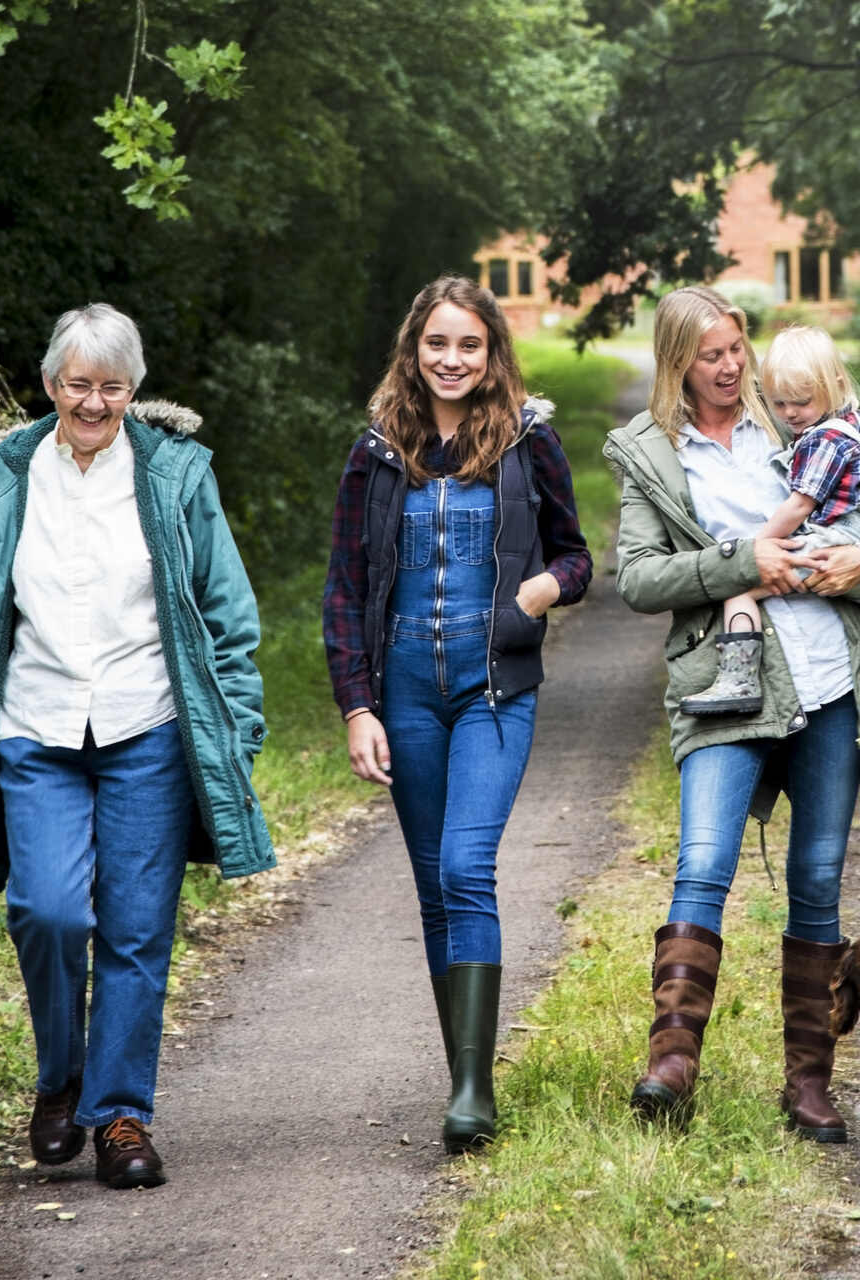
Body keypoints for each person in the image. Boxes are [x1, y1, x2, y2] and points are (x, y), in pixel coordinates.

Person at [0, 303, 274, 1190]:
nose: (94, 403)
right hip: (35, 729)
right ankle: (61, 1080)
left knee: (134, 930)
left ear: (134, 390)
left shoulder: (176, 476)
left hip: (146, 726)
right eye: (78, 384)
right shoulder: (4, 480)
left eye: (112, 387)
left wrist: (235, 725)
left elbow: (228, 614)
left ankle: (121, 1117)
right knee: (48, 911)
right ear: (49, 384)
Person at [602, 286, 860, 1141]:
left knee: (815, 878)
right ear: (676, 362)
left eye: (736, 347)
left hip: (826, 677)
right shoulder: (650, 452)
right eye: (710, 355)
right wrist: (745, 561)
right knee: (703, 859)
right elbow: (635, 577)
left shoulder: (791, 409)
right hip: (723, 681)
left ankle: (808, 1084)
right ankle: (671, 1065)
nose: (731, 367)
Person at [322, 275, 591, 1154]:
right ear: (414, 348)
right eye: (437, 343)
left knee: (468, 865)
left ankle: (473, 1095)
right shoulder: (374, 452)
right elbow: (345, 591)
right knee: (435, 880)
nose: (451, 359)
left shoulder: (526, 441)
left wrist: (541, 593)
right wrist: (358, 706)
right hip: (403, 693)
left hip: (494, 689)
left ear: (491, 353)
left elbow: (576, 556)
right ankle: (461, 1075)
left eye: (468, 345)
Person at [680, 324, 860, 716]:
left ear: (834, 383)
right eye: (779, 404)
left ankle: (738, 679)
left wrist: (757, 549)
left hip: (825, 542)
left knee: (740, 590)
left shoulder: (825, 441)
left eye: (800, 402)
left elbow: (798, 506)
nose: (790, 414)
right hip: (851, 534)